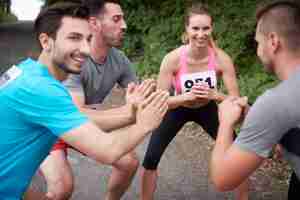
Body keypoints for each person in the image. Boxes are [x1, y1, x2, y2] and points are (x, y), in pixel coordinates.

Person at [0, 2, 169, 200]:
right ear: (46, 42)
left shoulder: (26, 71)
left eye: (88, 39)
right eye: (74, 38)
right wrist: (143, 124)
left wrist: (131, 112)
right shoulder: (42, 90)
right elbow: (108, 150)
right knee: (62, 187)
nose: (86, 49)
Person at [140, 3, 248, 200]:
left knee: (237, 152)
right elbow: (160, 101)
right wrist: (184, 97)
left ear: (212, 29)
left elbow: (236, 101)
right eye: (195, 28)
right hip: (177, 108)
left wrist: (215, 96)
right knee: (151, 158)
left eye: (205, 28)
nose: (200, 34)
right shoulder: (172, 59)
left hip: (207, 108)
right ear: (186, 30)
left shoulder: (222, 59)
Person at [38, 1, 143, 200]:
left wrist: (153, 97)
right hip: (54, 125)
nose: (124, 25)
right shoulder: (72, 61)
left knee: (128, 162)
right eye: (116, 19)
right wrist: (131, 115)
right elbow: (77, 115)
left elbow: (139, 96)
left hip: (75, 122)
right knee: (61, 189)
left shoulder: (119, 59)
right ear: (94, 23)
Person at [210, 1, 300, 199]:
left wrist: (225, 122)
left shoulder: (275, 102)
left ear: (273, 41)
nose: (258, 50)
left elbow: (222, 179)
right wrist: (257, 118)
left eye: (258, 43)